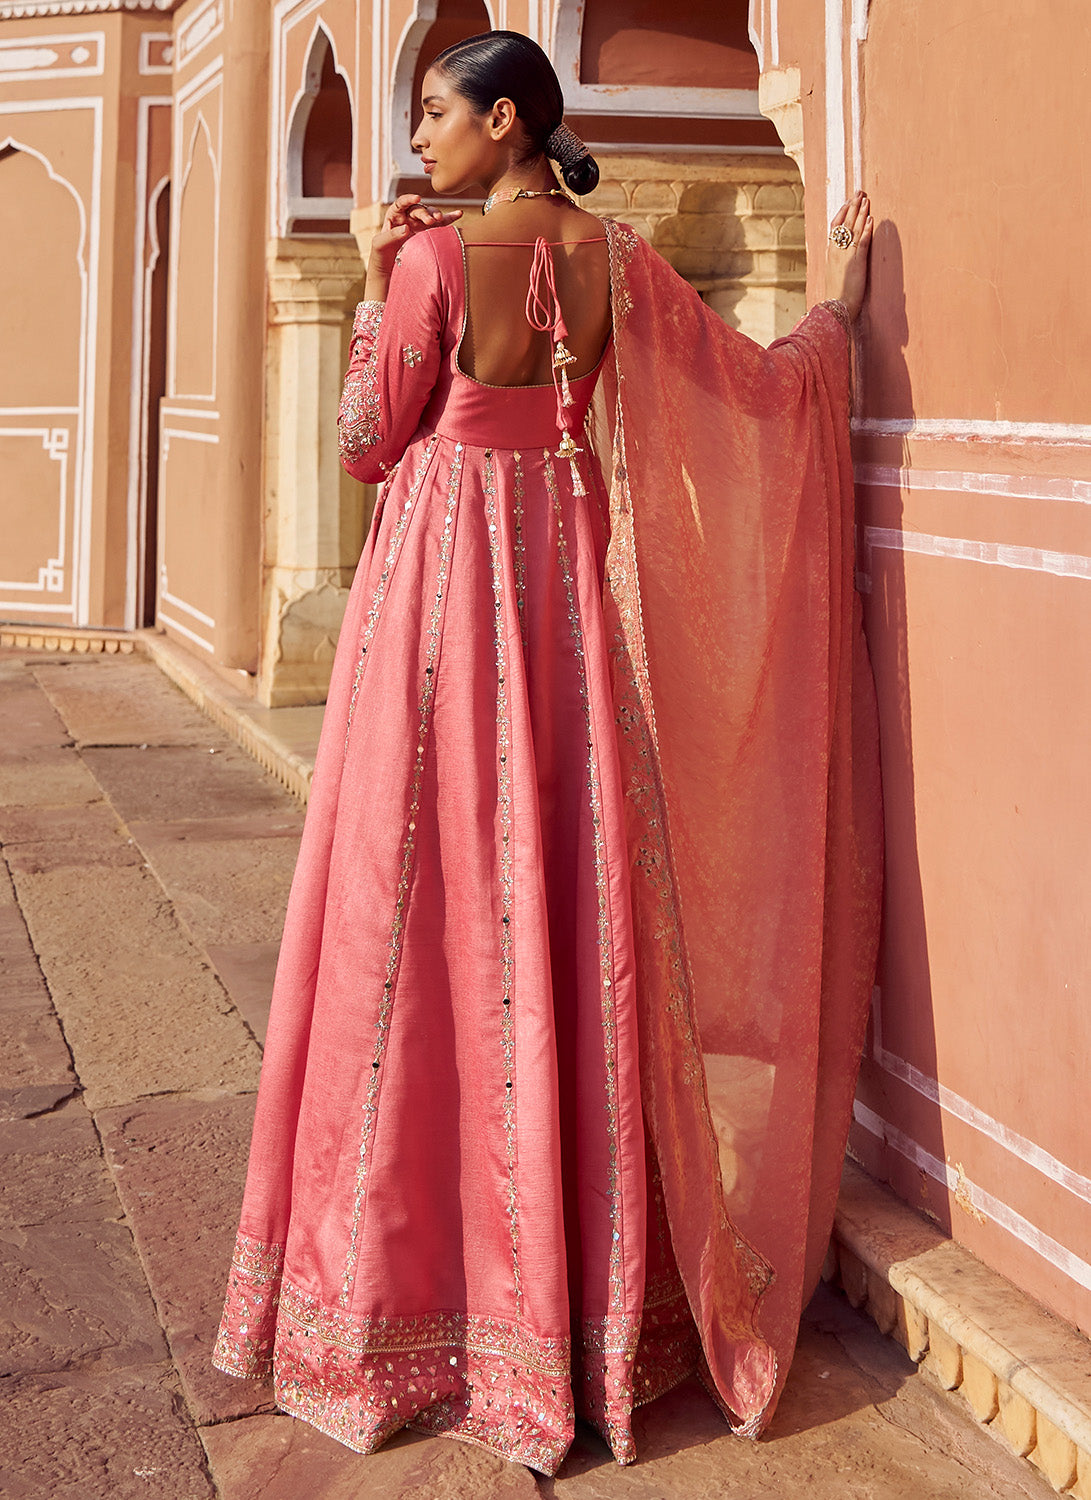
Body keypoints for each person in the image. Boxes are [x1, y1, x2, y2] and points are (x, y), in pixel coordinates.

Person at [213, 30, 882, 1478]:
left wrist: (376, 292)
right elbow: (757, 386)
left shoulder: (436, 264)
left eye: (434, 118)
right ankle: (586, 1308)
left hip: (447, 587)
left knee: (420, 899)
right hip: (564, 588)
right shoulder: (614, 256)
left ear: (502, 118)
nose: (420, 144)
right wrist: (840, 314)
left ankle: (419, 1296)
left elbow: (367, 443)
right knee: (567, 900)